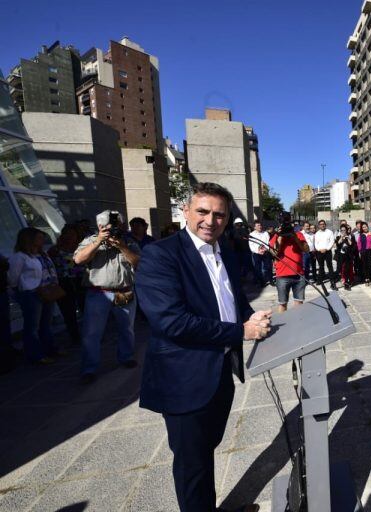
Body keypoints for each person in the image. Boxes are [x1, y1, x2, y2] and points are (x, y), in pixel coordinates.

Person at [135, 182, 270, 512]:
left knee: (206, 448)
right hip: (184, 377)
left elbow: (233, 299)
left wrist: (257, 317)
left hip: (220, 369)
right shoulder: (160, 255)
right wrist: (241, 331)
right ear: (186, 212)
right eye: (203, 211)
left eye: (219, 214)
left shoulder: (222, 249)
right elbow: (171, 322)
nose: (211, 220)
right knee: (192, 464)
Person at [74, 211, 141, 382]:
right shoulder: (90, 241)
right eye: (110, 226)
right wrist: (98, 242)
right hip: (99, 294)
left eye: (118, 225)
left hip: (124, 292)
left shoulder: (128, 241)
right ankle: (89, 369)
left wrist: (122, 246)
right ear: (100, 227)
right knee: (92, 333)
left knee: (127, 330)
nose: (114, 229)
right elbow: (79, 260)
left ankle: (126, 357)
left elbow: (139, 263)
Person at [8, 228, 58, 364]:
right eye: (39, 238)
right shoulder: (19, 257)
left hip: (47, 291)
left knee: (46, 324)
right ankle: (35, 355)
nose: (42, 240)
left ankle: (50, 349)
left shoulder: (41, 254)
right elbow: (12, 278)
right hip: (31, 294)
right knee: (32, 327)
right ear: (29, 239)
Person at [47, 224, 84, 345]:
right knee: (68, 311)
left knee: (86, 308)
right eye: (66, 234)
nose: (69, 237)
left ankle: (90, 332)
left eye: (72, 234)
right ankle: (75, 336)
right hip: (64, 282)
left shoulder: (82, 247)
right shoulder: (54, 250)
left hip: (81, 281)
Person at [270, 214, 309, 313]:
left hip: (298, 274)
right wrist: (279, 237)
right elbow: (274, 253)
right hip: (282, 275)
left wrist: (295, 237)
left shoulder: (298, 234)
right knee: (282, 304)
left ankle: (299, 325)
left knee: (299, 303)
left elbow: (306, 249)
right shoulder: (276, 236)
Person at [313, 220, 336, 290]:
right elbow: (316, 243)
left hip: (327, 251)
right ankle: (320, 279)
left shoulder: (330, 232)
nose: (322, 225)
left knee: (330, 266)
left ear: (325, 225)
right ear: (319, 225)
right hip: (319, 251)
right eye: (320, 224)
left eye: (323, 224)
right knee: (321, 266)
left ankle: (332, 281)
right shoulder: (317, 233)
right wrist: (319, 249)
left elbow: (332, 241)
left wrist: (327, 249)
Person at [248, 221, 272, 287]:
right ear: (254, 227)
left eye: (260, 225)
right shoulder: (251, 235)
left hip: (265, 252)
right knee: (258, 268)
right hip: (256, 253)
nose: (260, 227)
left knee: (268, 267)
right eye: (258, 225)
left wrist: (265, 249)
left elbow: (268, 242)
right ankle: (261, 281)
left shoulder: (265, 233)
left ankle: (271, 280)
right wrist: (258, 251)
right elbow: (251, 246)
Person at [335, 225, 357, 290]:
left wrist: (347, 238)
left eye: (344, 230)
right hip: (341, 256)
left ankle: (347, 283)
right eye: (342, 230)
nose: (343, 231)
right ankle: (334, 283)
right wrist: (341, 237)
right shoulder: (338, 237)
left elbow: (351, 244)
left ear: (347, 230)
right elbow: (338, 244)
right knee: (339, 270)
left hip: (348, 256)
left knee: (347, 270)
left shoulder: (351, 236)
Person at [357, 221, 371, 286]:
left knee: (369, 265)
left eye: (365, 227)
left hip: (370, 251)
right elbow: (359, 244)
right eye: (363, 227)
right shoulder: (361, 235)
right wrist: (360, 252)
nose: (364, 228)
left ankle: (370, 278)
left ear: (367, 227)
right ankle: (366, 279)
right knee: (364, 266)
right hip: (363, 252)